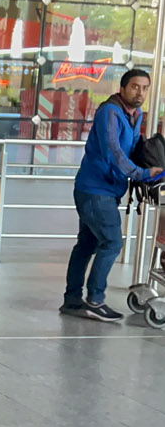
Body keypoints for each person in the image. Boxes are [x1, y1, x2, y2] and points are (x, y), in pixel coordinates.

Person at [61, 67, 163, 322]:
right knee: (112, 242)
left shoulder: (135, 114)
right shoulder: (110, 112)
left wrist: (153, 162)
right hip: (95, 190)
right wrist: (142, 173)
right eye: (135, 87)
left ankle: (72, 301)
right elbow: (113, 153)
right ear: (123, 88)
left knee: (87, 244)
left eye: (145, 88)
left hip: (106, 190)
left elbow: (133, 148)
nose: (140, 93)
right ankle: (95, 300)